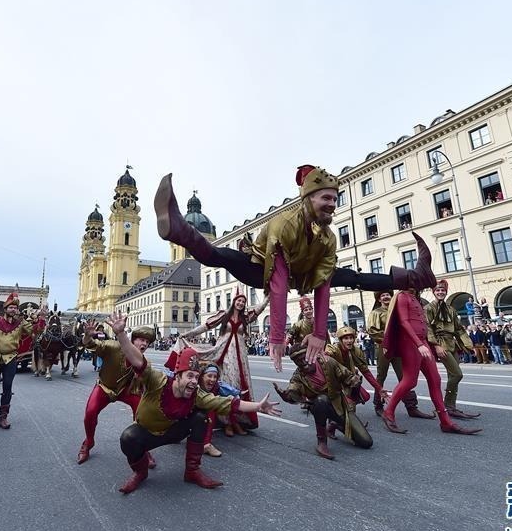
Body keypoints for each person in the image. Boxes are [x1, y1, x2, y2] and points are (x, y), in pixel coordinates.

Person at [154, 166, 435, 370]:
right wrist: (276, 336)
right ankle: (179, 230)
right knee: (222, 255)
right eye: (326, 199)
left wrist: (320, 333)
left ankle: (416, 276)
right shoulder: (284, 224)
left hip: (305, 273)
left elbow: (323, 284)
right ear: (308, 198)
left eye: (335, 200)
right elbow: (278, 283)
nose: (332, 205)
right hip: (261, 267)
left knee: (354, 277)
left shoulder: (327, 237)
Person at [109, 311, 281, 494]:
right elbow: (138, 361)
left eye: (196, 377)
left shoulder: (196, 394)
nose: (193, 381)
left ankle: (192, 471)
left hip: (174, 432)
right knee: (127, 438)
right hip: (147, 434)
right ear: (178, 376)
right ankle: (140, 473)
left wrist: (258, 406)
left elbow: (228, 403)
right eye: (189, 376)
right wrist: (120, 334)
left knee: (200, 417)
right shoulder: (157, 381)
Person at [380, 287, 481, 436]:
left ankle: (445, 421)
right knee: (409, 381)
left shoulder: (416, 298)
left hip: (423, 341)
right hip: (411, 343)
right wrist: (420, 344)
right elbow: (404, 322)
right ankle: (388, 412)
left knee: (435, 379)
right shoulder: (402, 296)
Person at [168, 287, 268, 434]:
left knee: (241, 385)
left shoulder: (245, 318)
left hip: (241, 356)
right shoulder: (224, 316)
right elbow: (205, 326)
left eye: (243, 301)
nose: (240, 303)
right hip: (225, 355)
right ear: (234, 301)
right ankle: (227, 422)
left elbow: (260, 308)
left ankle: (239, 421)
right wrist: (187, 334)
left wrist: (270, 295)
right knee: (229, 385)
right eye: (238, 300)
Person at [76, 319, 156, 465]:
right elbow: (91, 344)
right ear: (132, 340)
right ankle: (89, 442)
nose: (144, 344)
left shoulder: (144, 361)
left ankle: (143, 449)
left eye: (147, 343)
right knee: (90, 413)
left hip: (127, 390)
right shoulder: (113, 346)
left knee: (142, 416)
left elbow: (150, 381)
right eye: (142, 340)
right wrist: (87, 336)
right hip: (105, 387)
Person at [273, 347, 374, 459]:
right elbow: (293, 392)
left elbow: (347, 376)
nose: (303, 363)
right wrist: (286, 396)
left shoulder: (328, 362)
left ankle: (335, 424)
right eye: (298, 362)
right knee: (321, 400)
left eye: (304, 359)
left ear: (310, 355)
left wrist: (354, 381)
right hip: (320, 407)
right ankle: (322, 441)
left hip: (340, 406)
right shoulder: (298, 377)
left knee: (366, 442)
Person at [0, 293, 46, 429]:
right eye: (10, 307)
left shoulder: (20, 323)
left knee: (7, 387)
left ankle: (3, 417)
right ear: (5, 309)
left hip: (11, 359)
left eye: (15, 308)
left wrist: (41, 318)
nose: (13, 310)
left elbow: (36, 331)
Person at [366, 290, 433, 418]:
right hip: (383, 347)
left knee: (404, 376)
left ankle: (411, 407)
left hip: (399, 347)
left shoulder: (396, 312)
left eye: (388, 295)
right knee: (381, 376)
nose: (386, 297)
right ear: (379, 299)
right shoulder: (376, 313)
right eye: (383, 295)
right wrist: (388, 341)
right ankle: (378, 405)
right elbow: (373, 331)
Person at [424, 281, 480, 418]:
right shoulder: (428, 308)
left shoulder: (451, 309)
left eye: (442, 290)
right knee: (457, 374)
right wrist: (436, 345)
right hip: (440, 343)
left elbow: (459, 329)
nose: (440, 292)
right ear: (434, 292)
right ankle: (445, 405)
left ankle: (451, 407)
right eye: (437, 290)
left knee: (452, 375)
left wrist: (469, 345)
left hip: (452, 343)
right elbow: (427, 328)